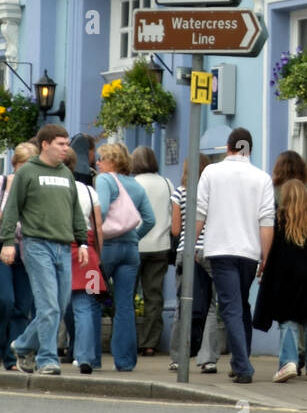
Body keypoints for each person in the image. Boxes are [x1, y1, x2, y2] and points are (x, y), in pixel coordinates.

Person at [0, 125, 88, 375]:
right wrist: (8, 242)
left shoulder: (67, 175)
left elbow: (75, 212)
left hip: (63, 246)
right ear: (45, 144)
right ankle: (47, 359)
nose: (66, 149)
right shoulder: (27, 172)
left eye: (67, 143)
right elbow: (12, 209)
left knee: (59, 306)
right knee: (48, 306)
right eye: (61, 144)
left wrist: (82, 242)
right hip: (36, 245)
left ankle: (24, 344)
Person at [195, 127, 274, 383]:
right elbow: (267, 221)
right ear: (248, 149)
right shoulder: (262, 178)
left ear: (228, 147)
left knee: (230, 307)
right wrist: (266, 257)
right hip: (250, 254)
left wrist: (189, 247)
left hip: (220, 249)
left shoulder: (211, 172)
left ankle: (242, 367)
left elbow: (200, 214)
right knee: (241, 304)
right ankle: (242, 358)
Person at [253, 178, 307, 382]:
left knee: (287, 321)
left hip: (285, 278)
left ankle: (288, 362)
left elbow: (273, 254)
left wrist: (265, 272)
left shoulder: (279, 221)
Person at [92, 142, 155, 371]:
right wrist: (134, 238)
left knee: (91, 299)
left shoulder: (104, 180)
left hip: (103, 250)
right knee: (125, 305)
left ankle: (90, 358)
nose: (97, 163)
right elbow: (150, 219)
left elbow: (103, 211)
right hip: (130, 251)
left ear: (112, 161)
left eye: (101, 159)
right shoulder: (136, 185)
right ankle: (125, 361)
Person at [0, 142, 36, 370]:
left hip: (27, 251)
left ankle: (14, 355)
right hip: (0, 246)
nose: (26, 171)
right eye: (23, 165)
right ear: (15, 165)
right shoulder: (0, 183)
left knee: (22, 305)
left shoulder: (37, 187)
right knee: (4, 299)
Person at [169, 153, 222, 373]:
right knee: (211, 305)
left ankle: (178, 358)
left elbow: (175, 229)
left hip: (186, 250)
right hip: (211, 250)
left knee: (183, 304)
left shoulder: (179, 193)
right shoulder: (214, 194)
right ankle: (208, 358)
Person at [130, 145, 174, 357]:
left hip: (135, 245)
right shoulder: (167, 183)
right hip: (160, 246)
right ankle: (149, 343)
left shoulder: (132, 184)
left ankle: (127, 340)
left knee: (127, 294)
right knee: (154, 296)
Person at [64, 147, 103, 374]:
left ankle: (47, 352)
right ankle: (86, 356)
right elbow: (98, 225)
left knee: (59, 302)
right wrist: (99, 253)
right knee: (86, 304)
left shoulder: (56, 189)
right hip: (87, 249)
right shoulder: (89, 191)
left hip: (62, 245)